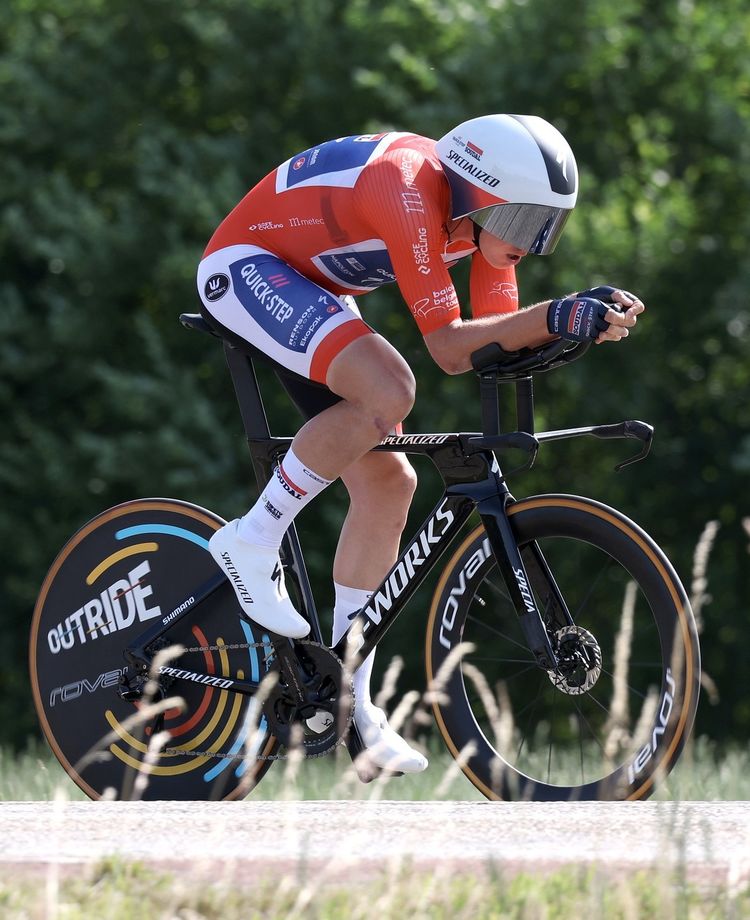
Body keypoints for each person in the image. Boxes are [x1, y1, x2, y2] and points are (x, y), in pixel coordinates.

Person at [196, 114, 644, 773]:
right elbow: (448, 350)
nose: (528, 242)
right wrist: (551, 314)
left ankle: (352, 704)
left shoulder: (480, 229)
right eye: (520, 222)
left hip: (313, 287)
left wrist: (578, 321)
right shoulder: (408, 186)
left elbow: (495, 339)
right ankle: (252, 538)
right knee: (391, 388)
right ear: (476, 194)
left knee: (391, 483)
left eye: (544, 227)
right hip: (244, 266)